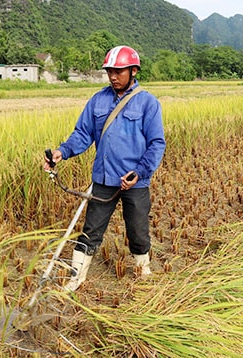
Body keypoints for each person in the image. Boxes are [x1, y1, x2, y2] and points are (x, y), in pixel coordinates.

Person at [43, 45, 166, 292]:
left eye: (119, 71)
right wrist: (61, 152)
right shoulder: (98, 100)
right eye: (110, 71)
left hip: (134, 181)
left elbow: (156, 144)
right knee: (91, 231)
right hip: (103, 179)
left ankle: (143, 271)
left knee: (138, 232)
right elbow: (82, 134)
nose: (113, 76)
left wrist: (140, 172)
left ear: (133, 71)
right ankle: (76, 279)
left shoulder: (147, 103)